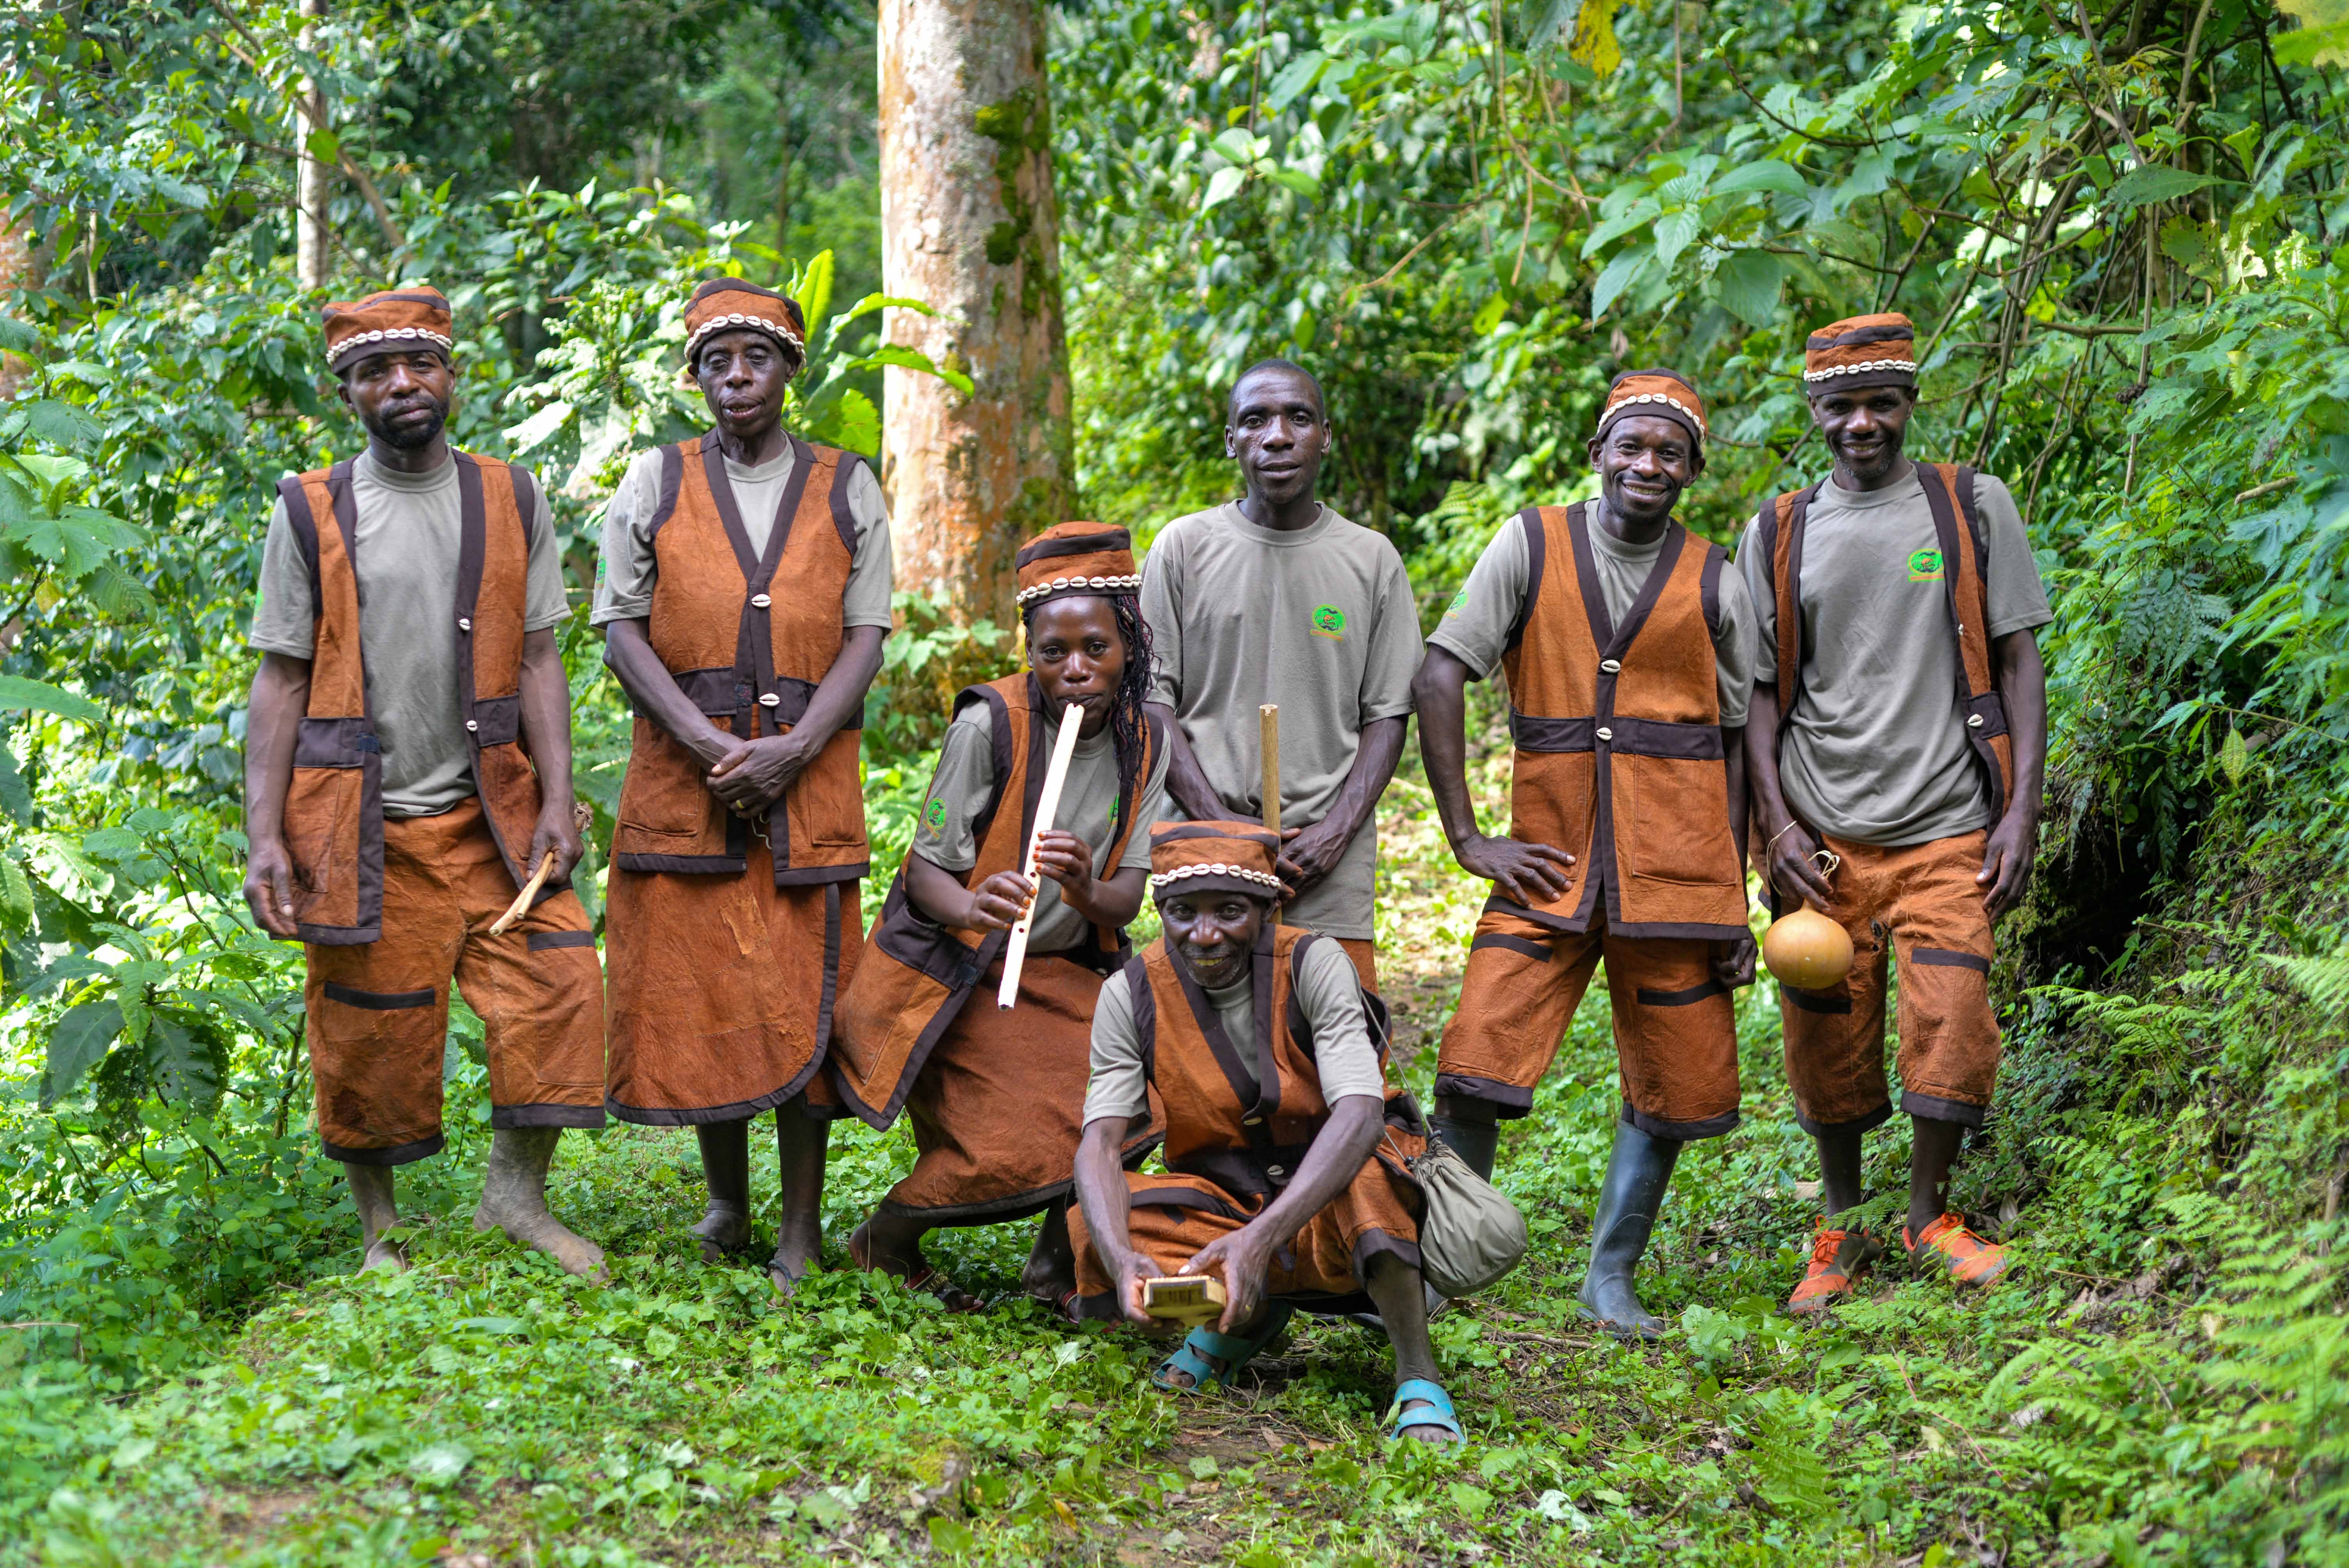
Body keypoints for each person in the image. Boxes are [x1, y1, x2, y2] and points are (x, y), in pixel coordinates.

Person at [242, 285, 606, 1278]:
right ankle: (381, 1236)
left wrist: (556, 799)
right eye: (374, 372)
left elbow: (539, 657)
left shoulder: (510, 496)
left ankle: (515, 1201)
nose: (401, 384)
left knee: (561, 986)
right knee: (369, 1031)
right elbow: (281, 676)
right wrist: (265, 835)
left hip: (493, 818)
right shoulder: (311, 508)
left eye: (419, 365)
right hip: (362, 826)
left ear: (452, 375)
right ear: (347, 394)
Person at [1415, 371, 1759, 1336]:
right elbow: (1440, 673)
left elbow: (1739, 741)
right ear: (1598, 454)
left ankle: (1610, 1276)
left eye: (1669, 453)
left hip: (1677, 875)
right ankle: (1439, 1262)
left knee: (1673, 1075)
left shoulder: (1715, 577)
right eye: (1631, 446)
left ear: (1691, 470)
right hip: (1549, 863)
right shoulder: (1530, 544)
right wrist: (1467, 836)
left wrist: (1733, 898)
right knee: (1474, 1058)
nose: (1648, 465)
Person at [1740, 313, 2050, 1313]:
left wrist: (2021, 811)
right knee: (1820, 1029)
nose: (1861, 423)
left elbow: (2018, 661)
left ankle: (1924, 1214)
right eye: (1841, 406)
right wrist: (1775, 827)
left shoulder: (1968, 505)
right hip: (1821, 837)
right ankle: (1843, 1221)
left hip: (1948, 823)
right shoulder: (1779, 530)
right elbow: (1752, 695)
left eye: (1881, 402)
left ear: (1911, 402)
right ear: (1814, 412)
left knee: (1951, 1014)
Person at [593, 278, 891, 1293]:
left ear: (788, 371)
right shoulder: (655, 480)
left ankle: (799, 1229)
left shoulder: (846, 485)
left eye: (756, 358)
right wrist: (706, 745)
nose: (736, 377)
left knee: (804, 998)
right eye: (716, 361)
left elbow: (866, 636)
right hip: (687, 792)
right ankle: (727, 1203)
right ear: (696, 378)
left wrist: (794, 749)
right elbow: (620, 629)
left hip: (807, 796)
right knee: (703, 991)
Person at [832, 523, 1168, 1314]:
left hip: (1067, 973)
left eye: (1096, 648)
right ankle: (885, 1238)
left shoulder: (1147, 740)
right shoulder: (990, 724)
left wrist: (1082, 886)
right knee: (1007, 1138)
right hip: (961, 977)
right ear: (1030, 653)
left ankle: (1054, 1264)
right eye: (1054, 653)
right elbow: (924, 874)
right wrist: (971, 905)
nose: (1075, 670)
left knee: (1138, 1100)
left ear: (1129, 646)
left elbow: (1125, 903)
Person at [1069, 823, 1463, 1445]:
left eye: (1229, 911)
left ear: (1266, 908)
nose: (1205, 934)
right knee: (1101, 1222)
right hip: (1233, 1197)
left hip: (1333, 1189)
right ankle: (1246, 1318)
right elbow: (1099, 1143)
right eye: (1183, 913)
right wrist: (1120, 1259)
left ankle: (1418, 1374)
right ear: (1160, 912)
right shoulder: (1130, 992)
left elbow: (1359, 1116)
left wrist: (1261, 1240)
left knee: (1371, 1179)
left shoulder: (1313, 962)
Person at [1139, 360, 1421, 991]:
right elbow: (1153, 704)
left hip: (1325, 858)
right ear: (1231, 440)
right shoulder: (1182, 548)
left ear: (1326, 435)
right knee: (1205, 1029)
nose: (1277, 437)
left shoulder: (1371, 559)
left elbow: (1387, 715)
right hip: (1204, 842)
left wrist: (1334, 833)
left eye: (1298, 418)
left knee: (1338, 1024)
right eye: (1255, 420)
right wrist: (1221, 824)